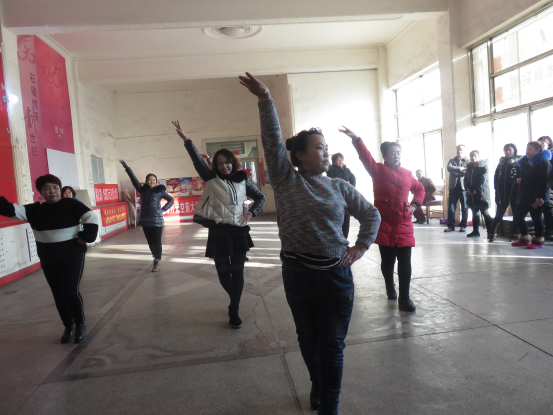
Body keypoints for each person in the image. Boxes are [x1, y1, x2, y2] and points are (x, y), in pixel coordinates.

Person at [239, 72, 381, 415]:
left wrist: (361, 246)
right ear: (300, 155)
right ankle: (318, 384)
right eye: (319, 147)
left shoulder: (339, 186)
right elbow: (273, 142)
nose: (326, 152)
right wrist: (265, 99)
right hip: (298, 274)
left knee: (331, 345)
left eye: (327, 147)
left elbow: (371, 215)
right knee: (307, 339)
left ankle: (329, 405)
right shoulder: (286, 180)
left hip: (336, 276)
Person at [172, 120, 266, 329]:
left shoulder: (242, 180)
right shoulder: (211, 178)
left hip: (238, 231)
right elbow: (197, 161)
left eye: (228, 162)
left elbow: (260, 197)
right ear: (216, 165)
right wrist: (186, 140)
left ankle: (234, 308)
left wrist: (250, 213)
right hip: (218, 232)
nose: (225, 166)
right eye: (221, 163)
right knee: (223, 272)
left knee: (238, 271)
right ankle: (235, 299)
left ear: (233, 162)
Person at [0, 174, 99, 344]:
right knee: (58, 293)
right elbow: (8, 209)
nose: (52, 191)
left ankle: (80, 324)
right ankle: (68, 326)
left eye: (55, 187)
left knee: (70, 291)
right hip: (48, 257)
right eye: (47, 188)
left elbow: (91, 217)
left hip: (72, 255)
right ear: (40, 192)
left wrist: (86, 237)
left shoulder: (71, 204)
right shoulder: (34, 211)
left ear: (60, 189)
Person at [340, 127, 424, 312]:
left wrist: (415, 204)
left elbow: (419, 189)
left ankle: (405, 298)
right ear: (385, 155)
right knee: (387, 261)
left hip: (403, 223)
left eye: (398, 152)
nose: (396, 155)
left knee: (405, 261)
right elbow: (365, 156)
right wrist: (356, 139)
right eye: (393, 153)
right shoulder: (377, 170)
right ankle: (389, 286)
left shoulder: (407, 174)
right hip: (384, 223)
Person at [119, 162, 174, 272]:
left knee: (157, 240)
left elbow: (171, 200)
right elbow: (134, 180)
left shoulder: (160, 191)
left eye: (154, 180)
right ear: (146, 181)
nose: (152, 181)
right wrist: (127, 168)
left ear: (156, 181)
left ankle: (157, 260)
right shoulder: (142, 190)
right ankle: (155, 254)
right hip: (144, 220)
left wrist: (162, 210)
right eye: (149, 180)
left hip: (157, 220)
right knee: (150, 241)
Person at [511, 141, 552, 249]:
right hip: (524, 195)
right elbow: (519, 174)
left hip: (537, 196)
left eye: (530, 149)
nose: (527, 151)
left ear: (538, 150)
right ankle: (524, 239)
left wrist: (539, 196)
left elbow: (543, 182)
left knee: (536, 218)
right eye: (527, 149)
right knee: (518, 217)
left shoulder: (544, 163)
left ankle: (538, 241)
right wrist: (518, 178)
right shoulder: (525, 161)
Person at [490, 143, 521, 242]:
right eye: (506, 150)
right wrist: (496, 188)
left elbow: (521, 175)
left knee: (516, 213)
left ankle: (515, 233)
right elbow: (496, 176)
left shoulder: (520, 161)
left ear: (514, 151)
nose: (507, 152)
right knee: (499, 213)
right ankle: (493, 232)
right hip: (502, 192)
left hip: (514, 191)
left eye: (510, 150)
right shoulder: (502, 162)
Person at [326, 153, 357, 238]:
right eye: (338, 159)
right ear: (334, 161)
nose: (341, 161)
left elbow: (353, 178)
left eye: (342, 159)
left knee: (346, 219)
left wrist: (351, 189)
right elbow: (327, 167)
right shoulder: (331, 168)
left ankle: (345, 238)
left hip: (345, 198)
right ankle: (336, 238)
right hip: (335, 197)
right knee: (336, 218)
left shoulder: (346, 170)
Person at [464, 150, 492, 238]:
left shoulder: (484, 167)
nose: (473, 157)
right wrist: (467, 189)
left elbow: (481, 179)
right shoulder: (469, 168)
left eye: (475, 155)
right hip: (471, 195)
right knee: (475, 213)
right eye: (471, 156)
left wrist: (471, 188)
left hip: (481, 193)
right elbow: (466, 180)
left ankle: (491, 232)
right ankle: (475, 231)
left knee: (485, 213)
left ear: (479, 157)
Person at [445, 145, 469, 232]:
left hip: (464, 188)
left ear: (464, 151)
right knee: (451, 207)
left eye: (461, 150)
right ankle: (451, 226)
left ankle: (463, 225)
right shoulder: (452, 160)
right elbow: (449, 168)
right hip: (453, 187)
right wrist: (460, 169)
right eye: (458, 150)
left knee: (464, 207)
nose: (459, 152)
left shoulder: (468, 161)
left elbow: (467, 171)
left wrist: (456, 172)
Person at [537, 136, 553, 241]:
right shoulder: (537, 157)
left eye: (544, 143)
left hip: (550, 186)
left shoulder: (550, 155)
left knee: (549, 209)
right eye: (540, 143)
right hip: (541, 186)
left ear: (549, 144)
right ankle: (547, 230)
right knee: (543, 210)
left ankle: (549, 231)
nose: (542, 145)